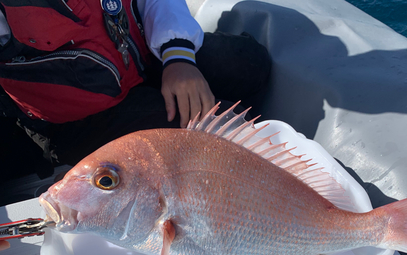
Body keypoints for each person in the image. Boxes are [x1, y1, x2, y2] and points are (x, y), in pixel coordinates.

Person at [0, 0, 271, 169]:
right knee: (222, 132)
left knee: (250, 63)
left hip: (141, 59)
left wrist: (178, 57)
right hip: (77, 120)